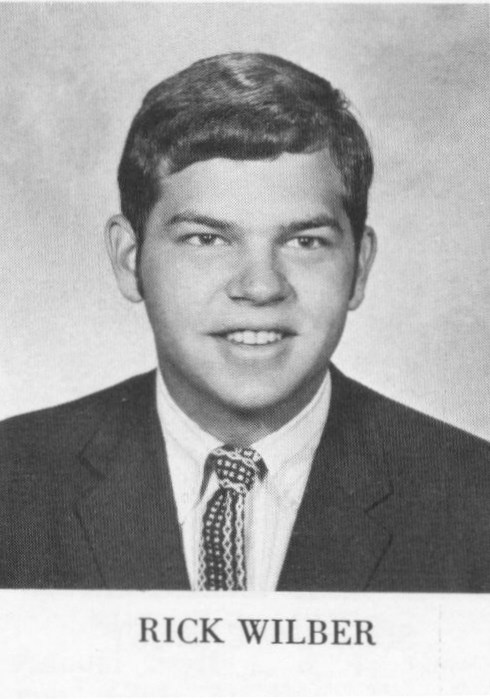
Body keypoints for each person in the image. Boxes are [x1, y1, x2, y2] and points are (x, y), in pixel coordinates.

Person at [1, 53, 488, 592]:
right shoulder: (12, 484)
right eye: (207, 239)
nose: (260, 287)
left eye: (305, 242)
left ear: (359, 267)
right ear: (128, 259)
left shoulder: (474, 499)